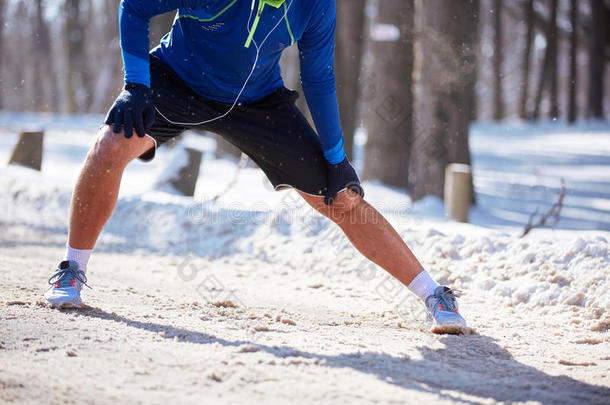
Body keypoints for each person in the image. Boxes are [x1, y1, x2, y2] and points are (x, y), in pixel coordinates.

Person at [44, 0, 468, 334]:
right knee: (109, 146)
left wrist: (337, 160)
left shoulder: (316, 4)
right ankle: (72, 268)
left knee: (341, 198)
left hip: (256, 103)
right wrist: (135, 85)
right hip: (177, 79)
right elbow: (134, 7)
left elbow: (317, 76)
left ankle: (435, 295)